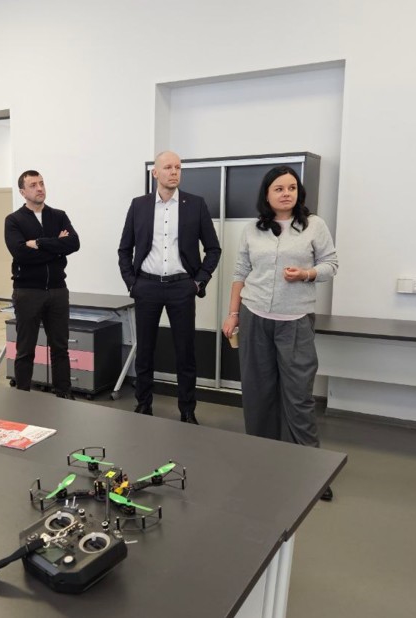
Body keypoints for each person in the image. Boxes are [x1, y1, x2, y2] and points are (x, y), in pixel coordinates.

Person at [221, 165, 338, 500]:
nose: (286, 193)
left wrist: (306, 274)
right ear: (267, 195)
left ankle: (312, 471)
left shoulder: (314, 226)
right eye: (279, 189)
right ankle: (264, 460)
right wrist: (233, 314)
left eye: (291, 188)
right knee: (258, 394)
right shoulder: (252, 229)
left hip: (295, 321)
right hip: (254, 316)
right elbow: (240, 272)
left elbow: (331, 264)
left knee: (298, 397)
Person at [117, 151, 221, 424]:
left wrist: (198, 282)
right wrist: (132, 283)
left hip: (181, 288)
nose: (174, 172)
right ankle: (143, 405)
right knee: (145, 351)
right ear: (155, 173)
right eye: (168, 167)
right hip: (147, 287)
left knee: (185, 352)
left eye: (178, 167)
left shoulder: (195, 204)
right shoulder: (139, 205)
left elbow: (213, 249)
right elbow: (125, 248)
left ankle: (187, 410)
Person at [4, 170, 80, 399]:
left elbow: (74, 243)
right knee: (25, 349)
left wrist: (38, 243)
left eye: (41, 183)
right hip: (28, 292)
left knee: (60, 348)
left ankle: (63, 394)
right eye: (33, 185)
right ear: (22, 192)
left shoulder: (58, 216)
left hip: (57, 290)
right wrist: (57, 246)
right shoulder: (14, 220)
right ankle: (23, 396)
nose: (39, 188)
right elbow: (20, 253)